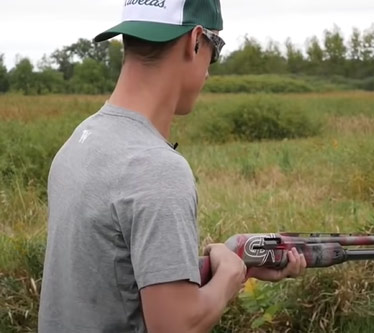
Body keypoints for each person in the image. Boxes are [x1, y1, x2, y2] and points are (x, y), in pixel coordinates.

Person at [37, 0, 307, 332]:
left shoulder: (82, 139)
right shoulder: (155, 168)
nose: (209, 69)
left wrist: (239, 263)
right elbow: (177, 326)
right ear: (195, 41)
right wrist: (230, 276)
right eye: (215, 48)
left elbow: (113, 278)